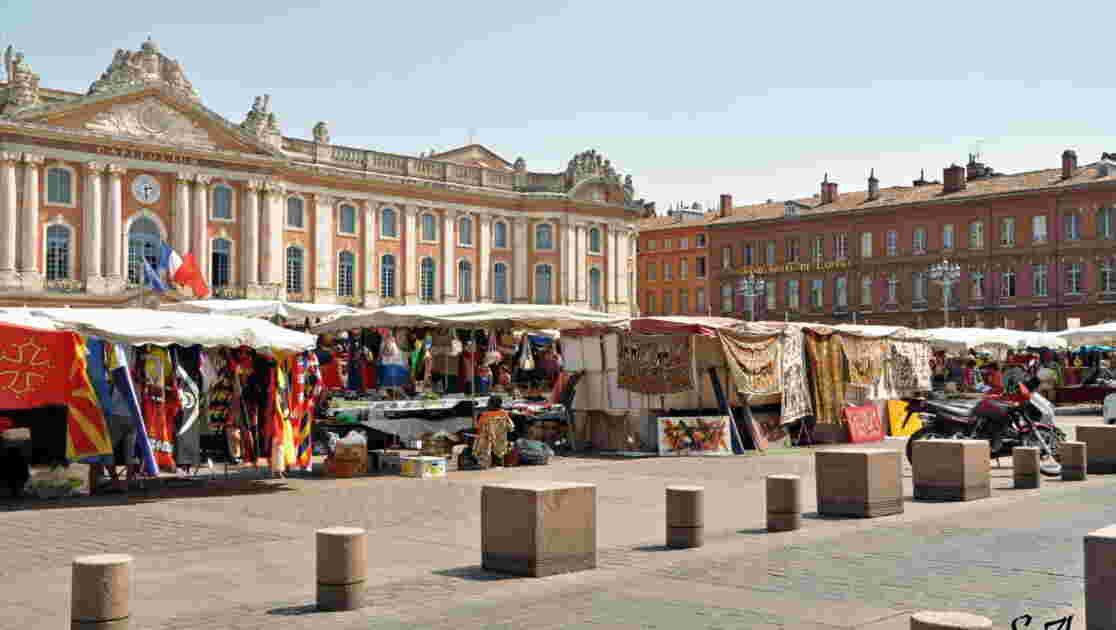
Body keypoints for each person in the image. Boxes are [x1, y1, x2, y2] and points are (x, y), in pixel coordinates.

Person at [474, 396, 515, 468]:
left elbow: (479, 429)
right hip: (501, 443)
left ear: (491, 404)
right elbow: (511, 428)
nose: (487, 404)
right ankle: (499, 464)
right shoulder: (505, 414)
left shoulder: (484, 415)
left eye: (488, 403)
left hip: (487, 444)